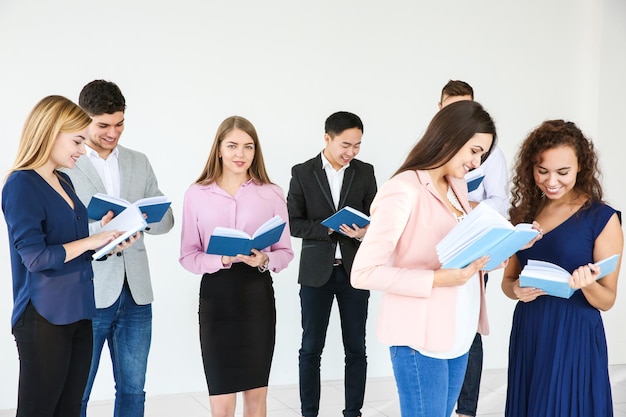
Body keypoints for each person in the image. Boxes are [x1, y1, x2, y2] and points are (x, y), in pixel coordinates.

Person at [351, 100, 498, 417]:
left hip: (458, 334)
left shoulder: (456, 185)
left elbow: (463, 251)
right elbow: (363, 273)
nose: (477, 162)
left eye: (482, 155)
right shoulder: (403, 189)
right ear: (450, 137)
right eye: (474, 151)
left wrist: (505, 247)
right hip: (419, 338)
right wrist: (439, 279)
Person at [1, 95, 123, 417]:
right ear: (51, 131)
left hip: (80, 310)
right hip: (44, 315)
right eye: (77, 141)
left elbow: (73, 243)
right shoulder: (21, 184)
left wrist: (106, 241)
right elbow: (36, 258)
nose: (82, 151)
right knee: (38, 410)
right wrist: (89, 241)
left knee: (70, 409)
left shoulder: (64, 181)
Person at [61, 79, 175, 417]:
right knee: (77, 390)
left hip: (137, 293)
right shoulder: (68, 162)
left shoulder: (139, 161)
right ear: (83, 118)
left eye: (120, 123)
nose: (114, 132)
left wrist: (144, 218)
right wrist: (105, 230)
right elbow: (63, 228)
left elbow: (166, 221)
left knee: (132, 390)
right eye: (104, 125)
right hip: (90, 290)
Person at [501, 120, 622, 417]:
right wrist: (515, 290)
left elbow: (607, 300)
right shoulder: (525, 214)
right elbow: (508, 281)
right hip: (531, 328)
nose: (551, 181)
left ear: (580, 166)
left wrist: (588, 284)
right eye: (542, 171)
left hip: (575, 333)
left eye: (562, 172)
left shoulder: (602, 218)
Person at [179, 116, 293, 417]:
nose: (239, 154)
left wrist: (265, 259)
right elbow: (188, 256)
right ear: (218, 149)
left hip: (256, 296)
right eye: (232, 146)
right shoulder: (196, 194)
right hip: (217, 298)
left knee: (256, 396)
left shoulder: (271, 192)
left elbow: (285, 252)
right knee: (221, 398)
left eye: (248, 147)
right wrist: (222, 259)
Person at [287, 111, 377, 417]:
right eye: (345, 145)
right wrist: (327, 228)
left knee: (356, 348)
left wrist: (366, 231)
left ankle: (353, 412)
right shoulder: (302, 172)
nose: (351, 152)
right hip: (315, 273)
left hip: (355, 271)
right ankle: (308, 412)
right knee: (311, 348)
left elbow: (377, 219)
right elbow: (293, 223)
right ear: (327, 138)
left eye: (358, 145)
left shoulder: (364, 173)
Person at [438, 80, 509, 417]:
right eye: (453, 108)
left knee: (470, 324)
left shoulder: (491, 153)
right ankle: (441, 401)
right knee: (439, 323)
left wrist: (470, 206)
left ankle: (466, 409)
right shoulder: (430, 149)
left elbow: (500, 199)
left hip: (475, 243)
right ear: (440, 110)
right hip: (438, 248)